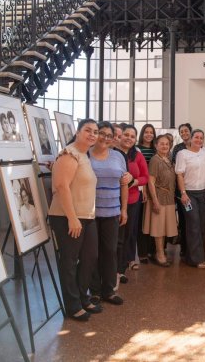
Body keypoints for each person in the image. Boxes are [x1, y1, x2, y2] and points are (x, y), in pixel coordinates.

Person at [48, 118, 100, 321]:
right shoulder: (69, 154)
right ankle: (72, 305)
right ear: (78, 132)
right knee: (69, 261)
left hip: (87, 216)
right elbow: (62, 187)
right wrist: (72, 218)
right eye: (88, 130)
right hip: (67, 217)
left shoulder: (84, 155)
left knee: (89, 258)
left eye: (95, 131)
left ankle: (82, 296)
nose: (92, 134)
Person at [88, 121, 129, 306]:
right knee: (93, 253)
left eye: (108, 135)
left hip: (113, 212)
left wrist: (124, 209)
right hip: (90, 213)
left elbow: (124, 183)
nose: (105, 138)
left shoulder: (118, 156)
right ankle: (95, 291)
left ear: (113, 138)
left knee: (110, 252)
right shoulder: (85, 155)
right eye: (101, 133)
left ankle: (109, 290)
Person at [175, 129, 205, 268]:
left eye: (201, 138)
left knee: (201, 225)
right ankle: (197, 259)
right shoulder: (182, 154)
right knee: (193, 224)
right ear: (190, 139)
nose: (198, 140)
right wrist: (183, 193)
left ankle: (193, 256)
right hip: (188, 194)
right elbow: (179, 175)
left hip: (203, 194)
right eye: (196, 137)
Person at [118, 124, 149, 281]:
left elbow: (146, 176)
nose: (129, 138)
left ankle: (126, 262)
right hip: (113, 199)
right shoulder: (112, 153)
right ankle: (116, 265)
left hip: (132, 199)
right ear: (120, 136)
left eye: (132, 136)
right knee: (117, 235)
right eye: (126, 135)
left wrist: (134, 181)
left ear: (135, 139)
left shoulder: (137, 155)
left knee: (129, 232)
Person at [145, 134, 178, 266]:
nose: (165, 146)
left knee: (164, 228)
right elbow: (150, 182)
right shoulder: (155, 160)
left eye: (167, 144)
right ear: (156, 145)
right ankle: (159, 254)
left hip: (169, 198)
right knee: (158, 228)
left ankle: (160, 252)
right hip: (158, 197)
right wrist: (155, 201)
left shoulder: (169, 159)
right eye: (162, 144)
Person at [136, 123, 157, 262]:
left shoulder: (156, 149)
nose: (149, 134)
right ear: (142, 134)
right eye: (146, 132)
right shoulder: (137, 149)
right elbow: (140, 171)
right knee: (142, 221)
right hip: (143, 188)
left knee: (153, 220)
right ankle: (142, 253)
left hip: (155, 189)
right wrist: (143, 188)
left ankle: (152, 251)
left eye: (151, 132)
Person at [172, 123, 192, 254]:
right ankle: (184, 249)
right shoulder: (177, 148)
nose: (184, 133)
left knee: (193, 219)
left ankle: (193, 248)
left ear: (190, 131)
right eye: (181, 132)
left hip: (196, 189)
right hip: (181, 190)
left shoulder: (198, 144)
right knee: (184, 219)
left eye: (186, 131)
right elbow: (176, 168)